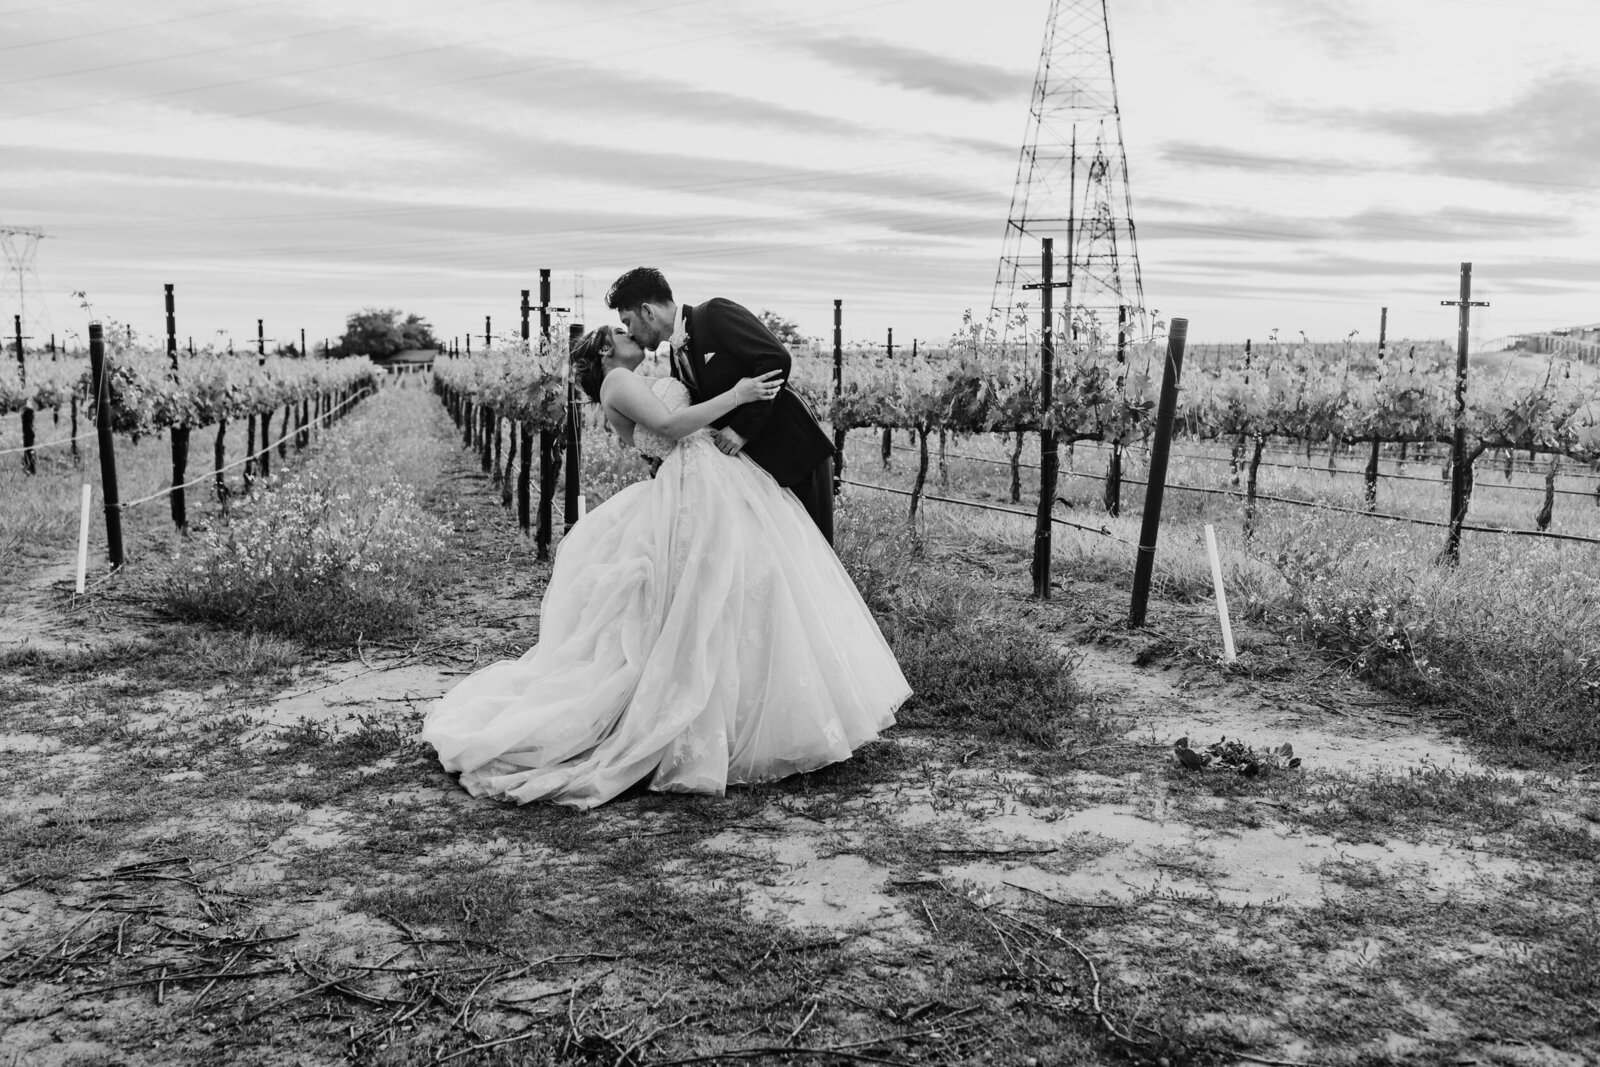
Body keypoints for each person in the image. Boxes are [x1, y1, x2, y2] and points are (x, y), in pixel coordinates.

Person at [419, 322, 909, 809]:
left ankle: (753, 709)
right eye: (624, 330)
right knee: (711, 589)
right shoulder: (617, 382)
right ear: (608, 348)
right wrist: (738, 394)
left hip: (710, 479)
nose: (635, 334)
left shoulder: (636, 378)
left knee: (739, 586)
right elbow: (674, 427)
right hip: (694, 483)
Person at [607, 267, 837, 542]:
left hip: (794, 455)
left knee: (813, 556)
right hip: (755, 476)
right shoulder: (676, 358)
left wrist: (742, 429)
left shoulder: (714, 314)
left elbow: (775, 359)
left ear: (648, 312)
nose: (630, 333)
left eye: (628, 321)